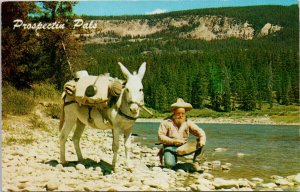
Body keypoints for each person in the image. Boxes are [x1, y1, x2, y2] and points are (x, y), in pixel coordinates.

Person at [158, 98, 206, 168]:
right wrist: (174, 141)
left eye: (183, 113)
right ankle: (165, 153)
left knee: (201, 142)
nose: (181, 115)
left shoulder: (187, 122)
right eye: (178, 113)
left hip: (184, 147)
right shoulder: (166, 122)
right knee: (170, 165)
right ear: (174, 112)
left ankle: (196, 162)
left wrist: (202, 140)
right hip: (169, 147)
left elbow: (201, 132)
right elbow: (160, 136)